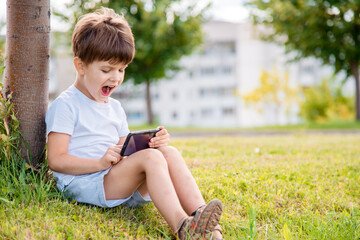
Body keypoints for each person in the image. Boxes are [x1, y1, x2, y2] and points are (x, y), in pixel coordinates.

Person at [46, 7, 224, 240]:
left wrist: (151, 144)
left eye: (121, 69)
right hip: (87, 184)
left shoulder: (114, 107)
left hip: (115, 181)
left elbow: (127, 152)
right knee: (151, 159)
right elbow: (56, 160)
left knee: (167, 152)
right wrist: (99, 163)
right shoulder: (66, 105)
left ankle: (205, 223)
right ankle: (183, 227)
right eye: (106, 69)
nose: (116, 78)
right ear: (80, 66)